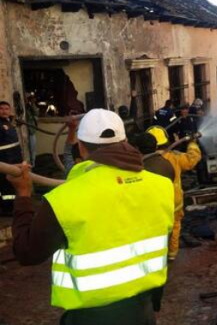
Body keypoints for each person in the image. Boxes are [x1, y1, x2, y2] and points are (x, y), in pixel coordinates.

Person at [8, 109, 175, 325]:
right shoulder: (162, 186)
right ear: (124, 141)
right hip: (143, 312)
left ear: (82, 147)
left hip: (90, 318)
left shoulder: (64, 198)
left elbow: (27, 252)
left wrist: (22, 196)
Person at [147, 125, 201, 261]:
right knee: (174, 226)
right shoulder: (174, 156)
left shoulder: (143, 159)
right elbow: (192, 160)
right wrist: (192, 143)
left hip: (152, 202)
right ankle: (171, 254)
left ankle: (154, 254)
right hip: (173, 200)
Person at [0, 101, 23, 215]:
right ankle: (7, 210)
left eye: (6, 109)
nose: (4, 111)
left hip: (14, 159)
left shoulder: (9, 123)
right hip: (4, 160)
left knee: (12, 185)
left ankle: (11, 206)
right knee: (6, 186)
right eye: (1, 109)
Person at [25, 93, 39, 167]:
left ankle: (32, 165)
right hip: (25, 130)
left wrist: (32, 103)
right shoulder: (22, 107)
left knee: (32, 148)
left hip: (31, 131)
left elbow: (36, 113)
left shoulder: (29, 107)